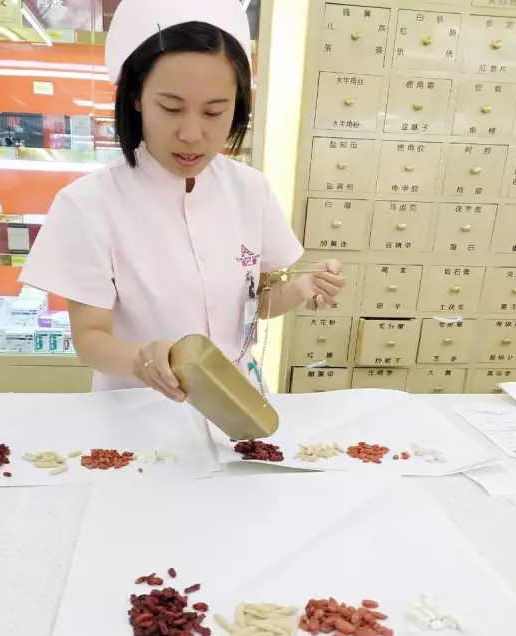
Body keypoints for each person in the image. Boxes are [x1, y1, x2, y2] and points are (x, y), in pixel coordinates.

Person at [20, 0, 345, 402]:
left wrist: (301, 287)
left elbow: (255, 303)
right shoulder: (88, 205)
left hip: (238, 404)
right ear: (136, 97)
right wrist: (142, 359)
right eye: (171, 108)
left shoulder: (250, 190)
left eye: (214, 112)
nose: (192, 134)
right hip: (139, 410)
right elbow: (90, 338)